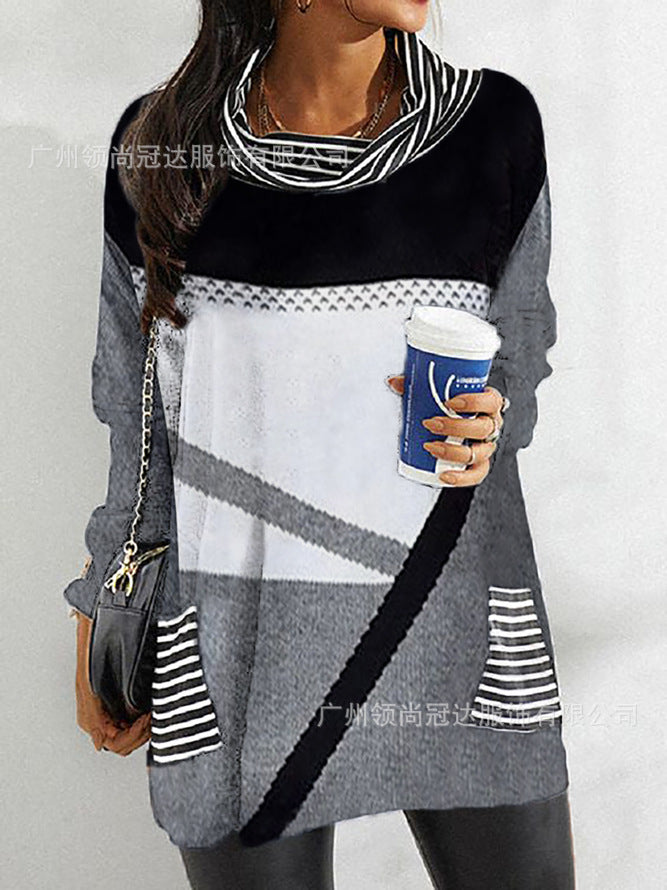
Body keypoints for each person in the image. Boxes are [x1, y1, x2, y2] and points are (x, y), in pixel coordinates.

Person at [64, 0, 576, 887]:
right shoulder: (162, 151)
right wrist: (104, 602)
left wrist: (490, 413)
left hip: (458, 631)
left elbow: (519, 344)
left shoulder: (493, 127)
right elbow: (138, 415)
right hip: (237, 644)